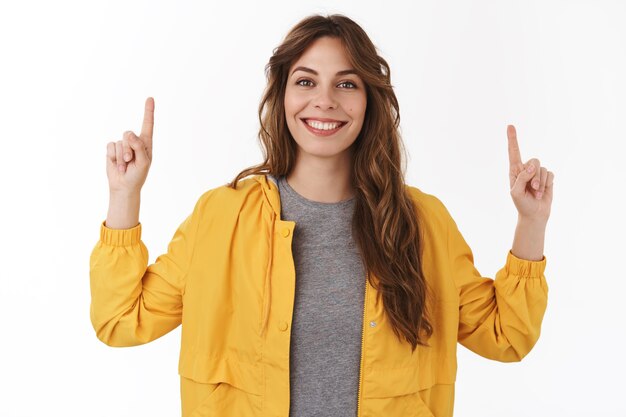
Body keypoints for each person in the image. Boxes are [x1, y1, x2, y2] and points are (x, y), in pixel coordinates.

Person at [90, 13, 554, 417]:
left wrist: (530, 223)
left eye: (346, 83)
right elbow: (121, 320)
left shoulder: (423, 223)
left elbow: (506, 335)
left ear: (370, 100)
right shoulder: (221, 215)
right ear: (283, 96)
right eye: (306, 81)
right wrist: (124, 195)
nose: (325, 100)